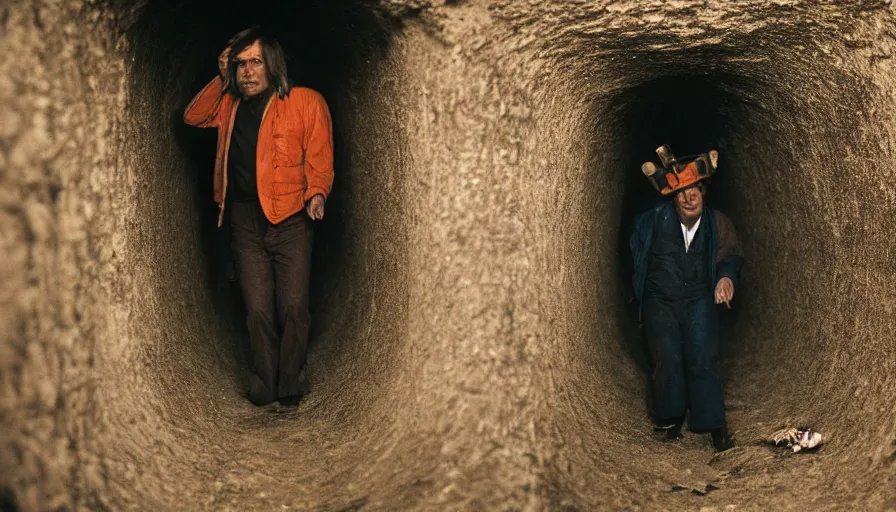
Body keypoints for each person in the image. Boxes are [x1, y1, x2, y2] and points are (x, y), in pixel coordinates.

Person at [184, 27, 334, 407]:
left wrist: (317, 193)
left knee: (294, 307)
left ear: (273, 66)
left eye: (256, 62)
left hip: (291, 219)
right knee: (257, 309)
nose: (248, 72)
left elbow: (320, 156)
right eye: (240, 64)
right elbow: (192, 117)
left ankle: (291, 383)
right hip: (245, 220)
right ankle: (264, 383)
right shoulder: (228, 106)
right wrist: (221, 77)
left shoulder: (305, 102)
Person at [630, 145, 742, 451]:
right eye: (680, 192)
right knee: (666, 358)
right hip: (660, 299)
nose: (688, 197)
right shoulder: (653, 220)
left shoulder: (717, 223)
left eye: (694, 190)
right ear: (671, 196)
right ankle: (670, 419)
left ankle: (713, 425)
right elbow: (635, 246)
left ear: (704, 192)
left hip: (698, 299)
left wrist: (725, 278)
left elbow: (729, 257)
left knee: (701, 357)